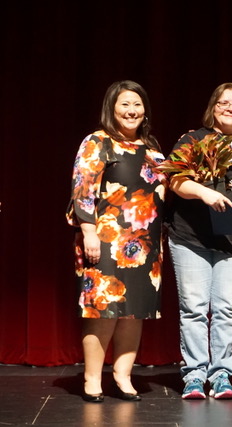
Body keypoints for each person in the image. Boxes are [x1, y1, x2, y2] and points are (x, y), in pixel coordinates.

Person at [66, 80, 166, 403]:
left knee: (133, 311)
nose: (132, 111)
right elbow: (83, 188)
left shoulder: (151, 146)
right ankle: (93, 379)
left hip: (145, 244)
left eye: (137, 105)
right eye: (125, 104)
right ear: (112, 107)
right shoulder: (97, 142)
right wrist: (88, 231)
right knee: (104, 309)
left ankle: (123, 377)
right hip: (105, 238)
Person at [165, 83, 232, 400]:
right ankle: (194, 376)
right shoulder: (193, 139)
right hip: (191, 237)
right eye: (223, 103)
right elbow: (175, 180)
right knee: (193, 308)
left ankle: (221, 376)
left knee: (226, 309)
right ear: (213, 107)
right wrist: (204, 192)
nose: (230, 108)